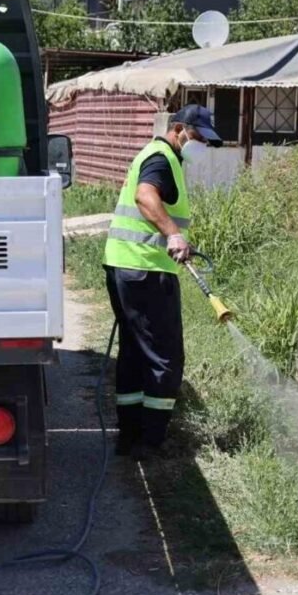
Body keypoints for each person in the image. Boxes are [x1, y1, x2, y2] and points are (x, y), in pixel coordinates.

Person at [102, 104, 218, 459]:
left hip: (125, 267)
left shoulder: (162, 156)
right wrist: (173, 234)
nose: (201, 145)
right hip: (145, 271)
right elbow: (145, 196)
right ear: (179, 129)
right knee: (165, 357)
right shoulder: (161, 158)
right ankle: (150, 442)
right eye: (198, 137)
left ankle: (130, 436)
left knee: (135, 353)